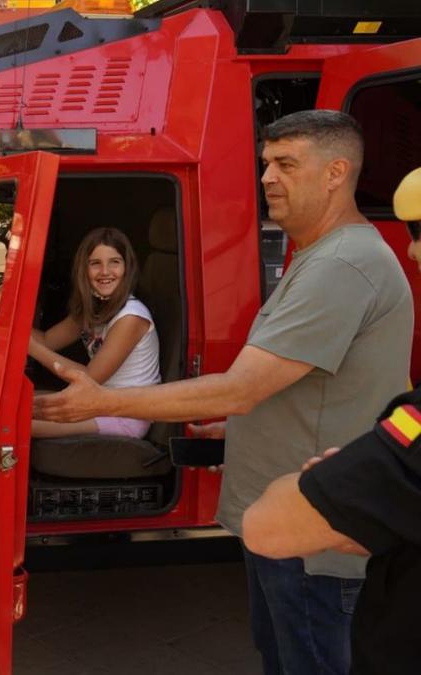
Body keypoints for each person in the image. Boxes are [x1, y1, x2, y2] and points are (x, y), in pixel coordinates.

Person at [33, 110, 413, 674]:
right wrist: (239, 428)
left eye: (286, 164)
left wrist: (102, 400)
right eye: (265, 164)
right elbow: (298, 388)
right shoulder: (316, 258)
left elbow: (239, 389)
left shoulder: (343, 264)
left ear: (336, 172)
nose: (266, 179)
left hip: (316, 543)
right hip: (279, 523)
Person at [241, 167, 421, 675]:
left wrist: (335, 486)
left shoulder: (347, 265)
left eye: (418, 233)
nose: (410, 251)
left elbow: (271, 526)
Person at [29, 227, 159, 438]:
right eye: (95, 263)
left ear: (127, 268)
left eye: (114, 262)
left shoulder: (131, 317)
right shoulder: (92, 309)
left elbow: (90, 377)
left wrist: (30, 347)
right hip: (97, 403)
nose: (105, 271)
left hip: (124, 416)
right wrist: (0, 328)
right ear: (84, 270)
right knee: (15, 402)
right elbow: (47, 340)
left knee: (14, 423)